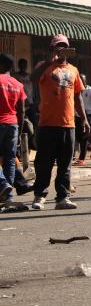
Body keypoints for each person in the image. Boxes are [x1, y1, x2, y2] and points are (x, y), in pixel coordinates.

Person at [29, 34, 89, 210]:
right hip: (47, 123)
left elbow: (78, 96)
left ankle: (62, 197)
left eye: (64, 46)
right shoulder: (44, 67)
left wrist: (84, 119)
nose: (61, 49)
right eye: (58, 46)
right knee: (44, 163)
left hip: (68, 124)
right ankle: (39, 196)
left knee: (65, 163)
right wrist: (49, 61)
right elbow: (33, 78)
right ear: (52, 49)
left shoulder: (74, 70)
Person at [0, 54, 26, 206]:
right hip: (13, 124)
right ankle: (8, 197)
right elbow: (21, 110)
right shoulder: (18, 84)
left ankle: (3, 185)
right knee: (10, 159)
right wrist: (20, 130)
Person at [74, 74, 91, 164]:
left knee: (84, 137)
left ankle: (81, 158)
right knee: (78, 138)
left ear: (85, 81)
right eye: (79, 80)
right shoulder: (75, 90)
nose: (80, 81)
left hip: (88, 115)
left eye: (82, 80)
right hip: (77, 116)